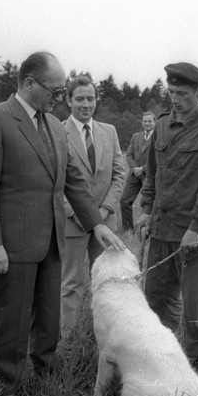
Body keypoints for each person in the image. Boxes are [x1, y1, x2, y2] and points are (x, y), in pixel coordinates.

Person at [0, 52, 125, 395]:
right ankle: (5, 390)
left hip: (53, 242)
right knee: (12, 321)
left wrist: (96, 223)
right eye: (54, 91)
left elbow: (72, 179)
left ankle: (46, 382)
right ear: (28, 83)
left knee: (48, 320)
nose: (59, 98)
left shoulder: (54, 126)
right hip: (14, 245)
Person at [135, 62, 198, 373]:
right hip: (162, 230)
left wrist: (196, 227)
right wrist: (146, 210)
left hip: (195, 235)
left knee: (195, 311)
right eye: (171, 92)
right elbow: (152, 173)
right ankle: (159, 365)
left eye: (182, 93)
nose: (175, 99)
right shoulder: (162, 124)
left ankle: (196, 373)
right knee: (155, 303)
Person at [59, 74, 126, 339]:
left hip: (106, 223)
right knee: (71, 283)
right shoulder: (57, 130)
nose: (85, 105)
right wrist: (80, 214)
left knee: (105, 282)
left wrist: (104, 211)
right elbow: (56, 180)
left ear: (97, 100)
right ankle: (70, 339)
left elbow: (119, 175)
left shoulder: (109, 131)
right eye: (79, 99)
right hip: (72, 222)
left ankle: (105, 338)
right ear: (68, 100)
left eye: (90, 98)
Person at [119, 112, 156, 231]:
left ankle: (147, 230)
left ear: (155, 123)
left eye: (150, 121)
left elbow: (157, 158)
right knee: (124, 200)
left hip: (149, 176)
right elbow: (129, 155)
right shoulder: (136, 136)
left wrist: (142, 169)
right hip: (134, 175)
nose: (147, 123)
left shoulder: (158, 137)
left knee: (148, 205)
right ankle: (128, 229)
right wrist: (135, 169)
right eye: (145, 121)